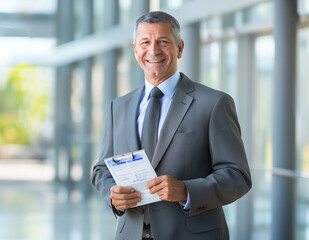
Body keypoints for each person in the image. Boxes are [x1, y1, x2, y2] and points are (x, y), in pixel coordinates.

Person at [91, 11, 251, 240]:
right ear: (135, 49)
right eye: (145, 42)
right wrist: (112, 194)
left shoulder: (214, 103)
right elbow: (101, 169)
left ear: (180, 47)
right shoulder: (119, 106)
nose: (153, 50)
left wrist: (186, 191)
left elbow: (238, 176)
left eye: (163, 42)